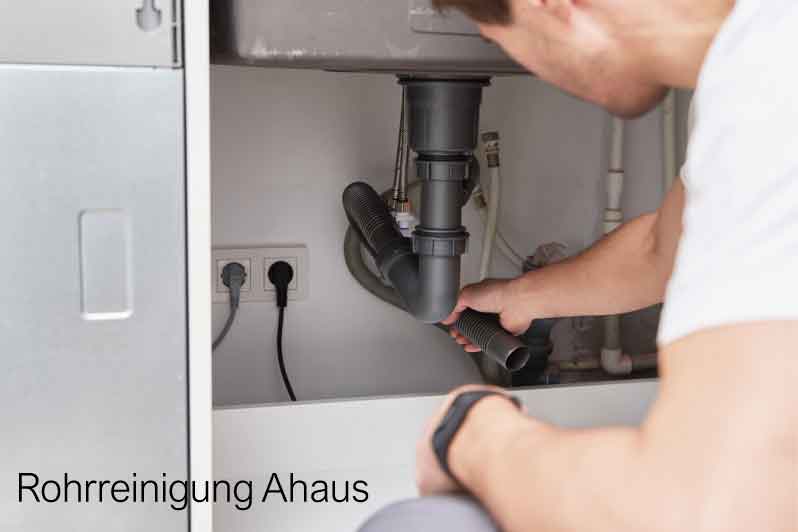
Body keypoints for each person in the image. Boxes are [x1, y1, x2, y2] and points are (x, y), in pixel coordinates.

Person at [360, 0, 797, 530]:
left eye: (500, 41)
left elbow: (703, 509)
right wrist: (527, 295)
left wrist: (472, 434)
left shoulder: (771, 86)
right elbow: (663, 248)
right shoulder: (758, 54)